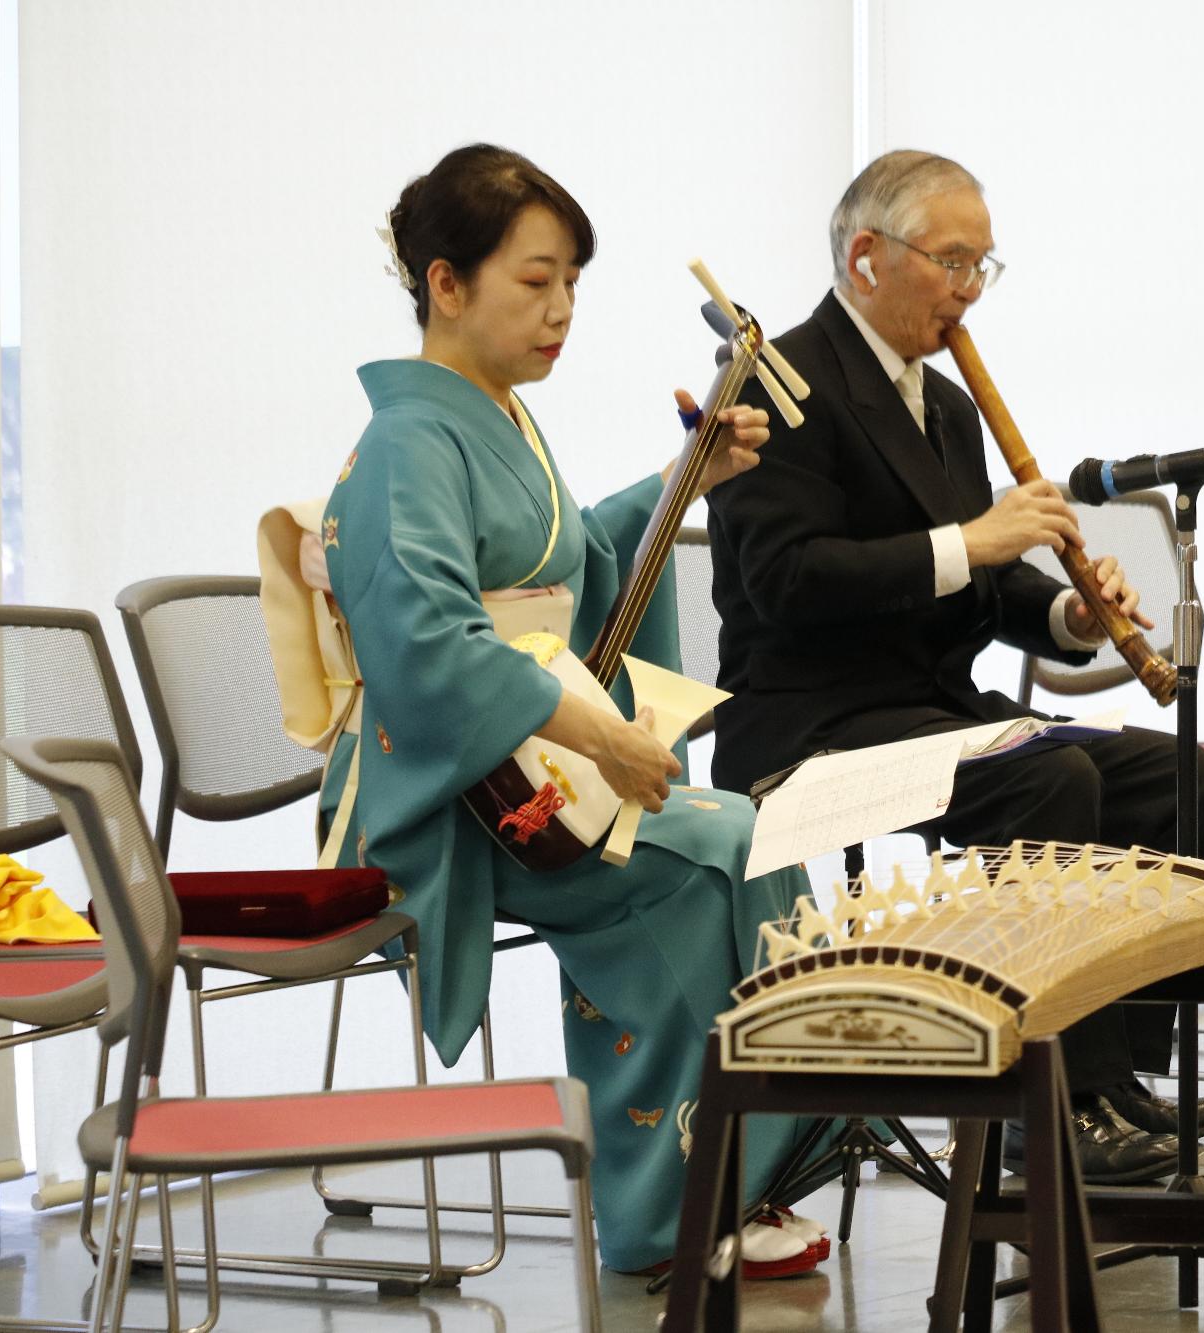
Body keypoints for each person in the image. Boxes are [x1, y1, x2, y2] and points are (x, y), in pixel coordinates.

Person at [319, 143, 828, 1275]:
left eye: (572, 288)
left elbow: (578, 557)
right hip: (446, 795)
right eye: (534, 282)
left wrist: (682, 482)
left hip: (527, 772)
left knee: (748, 832)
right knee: (706, 857)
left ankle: (749, 1168)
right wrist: (606, 735)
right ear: (445, 284)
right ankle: (668, 1209)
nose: (559, 312)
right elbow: (428, 645)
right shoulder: (411, 438)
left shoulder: (489, 415)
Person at [706, 149, 1204, 1183]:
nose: (968, 290)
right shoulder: (778, 382)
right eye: (952, 260)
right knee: (1046, 774)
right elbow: (786, 582)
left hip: (929, 711)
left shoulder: (942, 404)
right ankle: (1045, 1110)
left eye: (984, 266)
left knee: (1178, 772)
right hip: (810, 723)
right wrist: (976, 542)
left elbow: (983, 586)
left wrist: (1075, 615)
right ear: (865, 257)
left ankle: (1115, 1068)